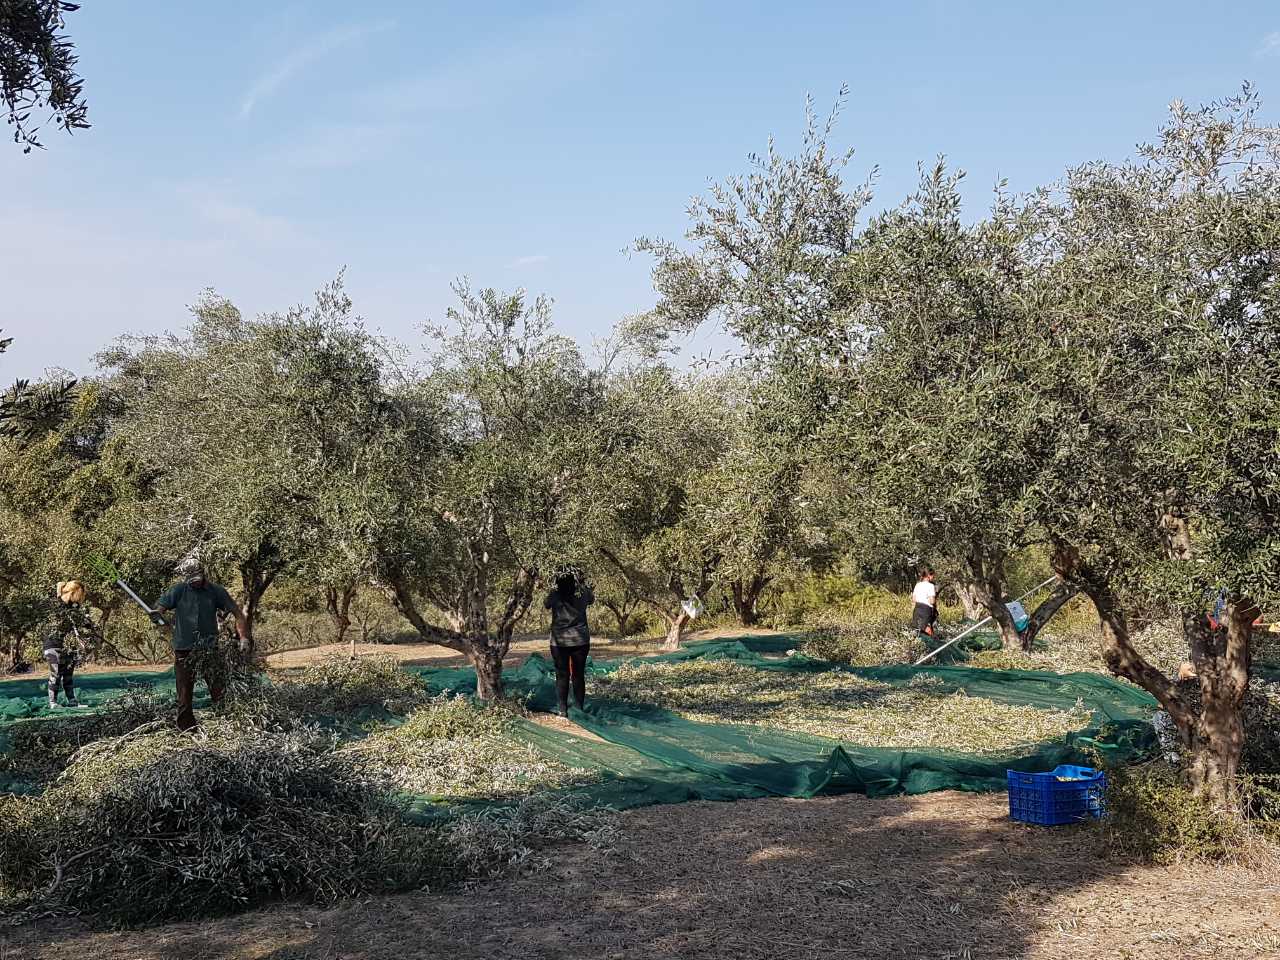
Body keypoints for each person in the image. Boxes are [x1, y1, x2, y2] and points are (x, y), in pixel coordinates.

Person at [153, 558, 248, 731]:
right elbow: (159, 609)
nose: (195, 582)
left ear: (203, 573)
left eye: (198, 577)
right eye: (192, 579)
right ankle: (187, 729)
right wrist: (157, 616)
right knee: (184, 692)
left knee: (218, 688)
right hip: (184, 649)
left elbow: (238, 614)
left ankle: (228, 723)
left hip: (209, 648)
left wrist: (243, 638)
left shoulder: (216, 591)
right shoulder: (178, 590)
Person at [543, 571, 594, 717]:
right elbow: (591, 599)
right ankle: (579, 708)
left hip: (559, 642)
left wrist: (552, 587)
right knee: (578, 675)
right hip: (580, 640)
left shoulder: (555, 594)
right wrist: (583, 583)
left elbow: (546, 604)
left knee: (562, 675)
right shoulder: (583, 592)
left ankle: (562, 709)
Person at [39, 581, 96, 709]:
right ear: (73, 592)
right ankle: (53, 703)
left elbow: (82, 623)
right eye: (79, 595)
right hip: (53, 644)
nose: (80, 599)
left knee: (68, 675)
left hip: (69, 645)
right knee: (56, 673)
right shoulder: (56, 605)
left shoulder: (74, 608)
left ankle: (72, 701)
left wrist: (88, 623)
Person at [911, 568, 938, 640]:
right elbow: (932, 601)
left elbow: (914, 599)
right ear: (929, 575)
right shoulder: (931, 586)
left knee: (917, 630)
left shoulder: (918, 585)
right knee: (927, 629)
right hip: (926, 610)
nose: (933, 578)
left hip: (917, 608)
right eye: (933, 576)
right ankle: (935, 642)